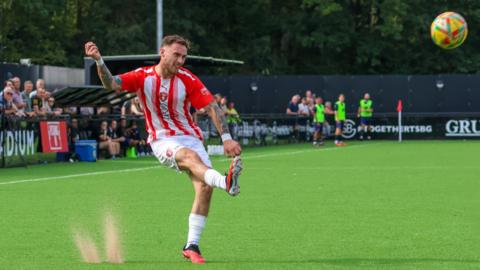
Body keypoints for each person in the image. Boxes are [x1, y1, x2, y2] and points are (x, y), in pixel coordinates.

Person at [85, 34, 242, 264]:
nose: (180, 60)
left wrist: (227, 138)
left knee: (204, 188)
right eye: (176, 55)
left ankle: (191, 245)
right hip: (162, 140)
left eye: (184, 57)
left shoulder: (187, 78)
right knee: (190, 159)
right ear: (163, 52)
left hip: (190, 137)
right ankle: (226, 183)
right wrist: (99, 61)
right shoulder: (143, 76)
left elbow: (211, 107)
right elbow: (111, 83)